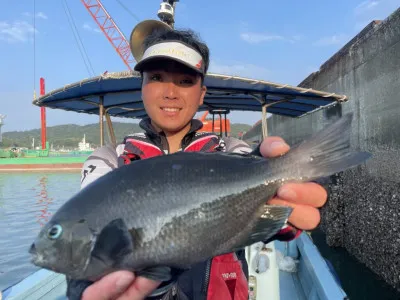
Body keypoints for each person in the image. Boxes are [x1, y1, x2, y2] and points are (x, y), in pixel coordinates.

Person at [68, 27, 327, 300]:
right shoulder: (108, 161)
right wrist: (81, 287)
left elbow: (266, 215)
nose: (170, 92)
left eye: (185, 81)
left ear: (202, 93)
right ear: (141, 87)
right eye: (156, 78)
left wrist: (288, 210)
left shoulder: (231, 151)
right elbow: (86, 240)